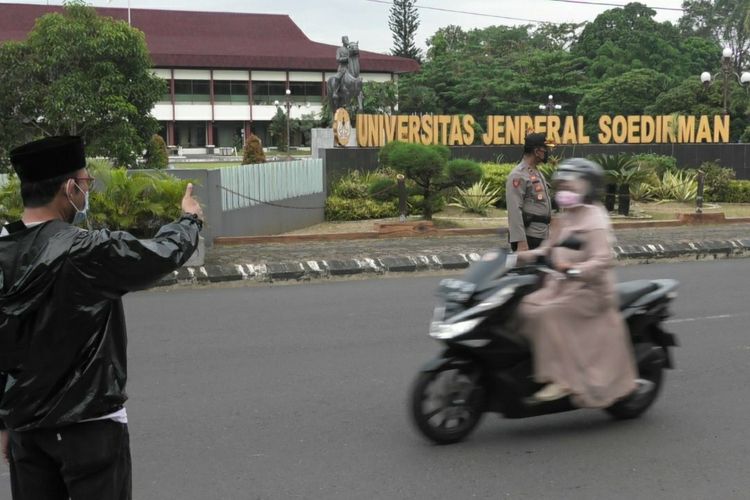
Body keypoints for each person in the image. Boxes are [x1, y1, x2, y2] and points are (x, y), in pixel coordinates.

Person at [0, 136, 203, 499]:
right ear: (70, 188)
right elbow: (160, 253)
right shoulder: (84, 250)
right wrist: (189, 219)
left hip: (25, 432)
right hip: (89, 427)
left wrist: (3, 422)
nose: (87, 190)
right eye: (86, 182)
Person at [516, 158, 637, 406]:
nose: (565, 193)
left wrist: (575, 270)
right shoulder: (567, 216)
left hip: (590, 290)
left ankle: (563, 380)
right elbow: (548, 248)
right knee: (526, 305)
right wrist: (519, 257)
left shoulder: (595, 220)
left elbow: (602, 259)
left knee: (550, 313)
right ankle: (537, 366)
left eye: (571, 188)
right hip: (561, 285)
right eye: (562, 188)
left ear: (588, 187)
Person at [505, 132, 552, 251]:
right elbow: (514, 210)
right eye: (545, 148)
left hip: (541, 236)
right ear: (536, 151)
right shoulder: (519, 174)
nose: (547, 152)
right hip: (528, 238)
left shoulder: (536, 172)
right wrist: (520, 241)